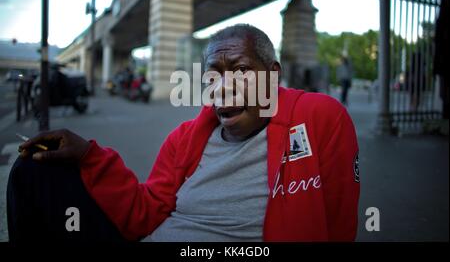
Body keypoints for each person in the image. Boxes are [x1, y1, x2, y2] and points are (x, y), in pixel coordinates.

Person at [8, 24, 360, 242]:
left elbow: (339, 224)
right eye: (213, 75)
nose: (223, 87)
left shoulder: (319, 119)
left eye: (239, 70)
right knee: (33, 171)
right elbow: (145, 212)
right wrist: (89, 155)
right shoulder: (184, 139)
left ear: (272, 75)